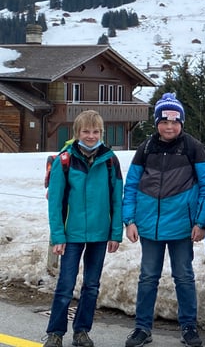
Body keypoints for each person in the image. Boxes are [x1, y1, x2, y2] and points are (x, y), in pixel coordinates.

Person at [122, 93, 205, 347]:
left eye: (174, 122)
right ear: (157, 123)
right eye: (164, 121)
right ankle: (142, 328)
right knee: (148, 277)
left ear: (182, 123)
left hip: (183, 227)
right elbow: (131, 186)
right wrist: (129, 220)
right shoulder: (146, 148)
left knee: (184, 277)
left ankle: (189, 327)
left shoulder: (194, 148)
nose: (169, 126)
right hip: (149, 227)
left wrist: (201, 222)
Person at [43, 110, 123, 347]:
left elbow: (117, 198)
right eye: (86, 131)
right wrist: (58, 235)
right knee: (66, 285)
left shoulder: (110, 160)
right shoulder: (65, 160)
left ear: (101, 132)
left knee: (91, 286)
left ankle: (81, 331)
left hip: (100, 233)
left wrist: (115, 233)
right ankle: (55, 333)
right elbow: (55, 202)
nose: (91, 136)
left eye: (95, 131)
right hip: (72, 234)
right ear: (77, 132)